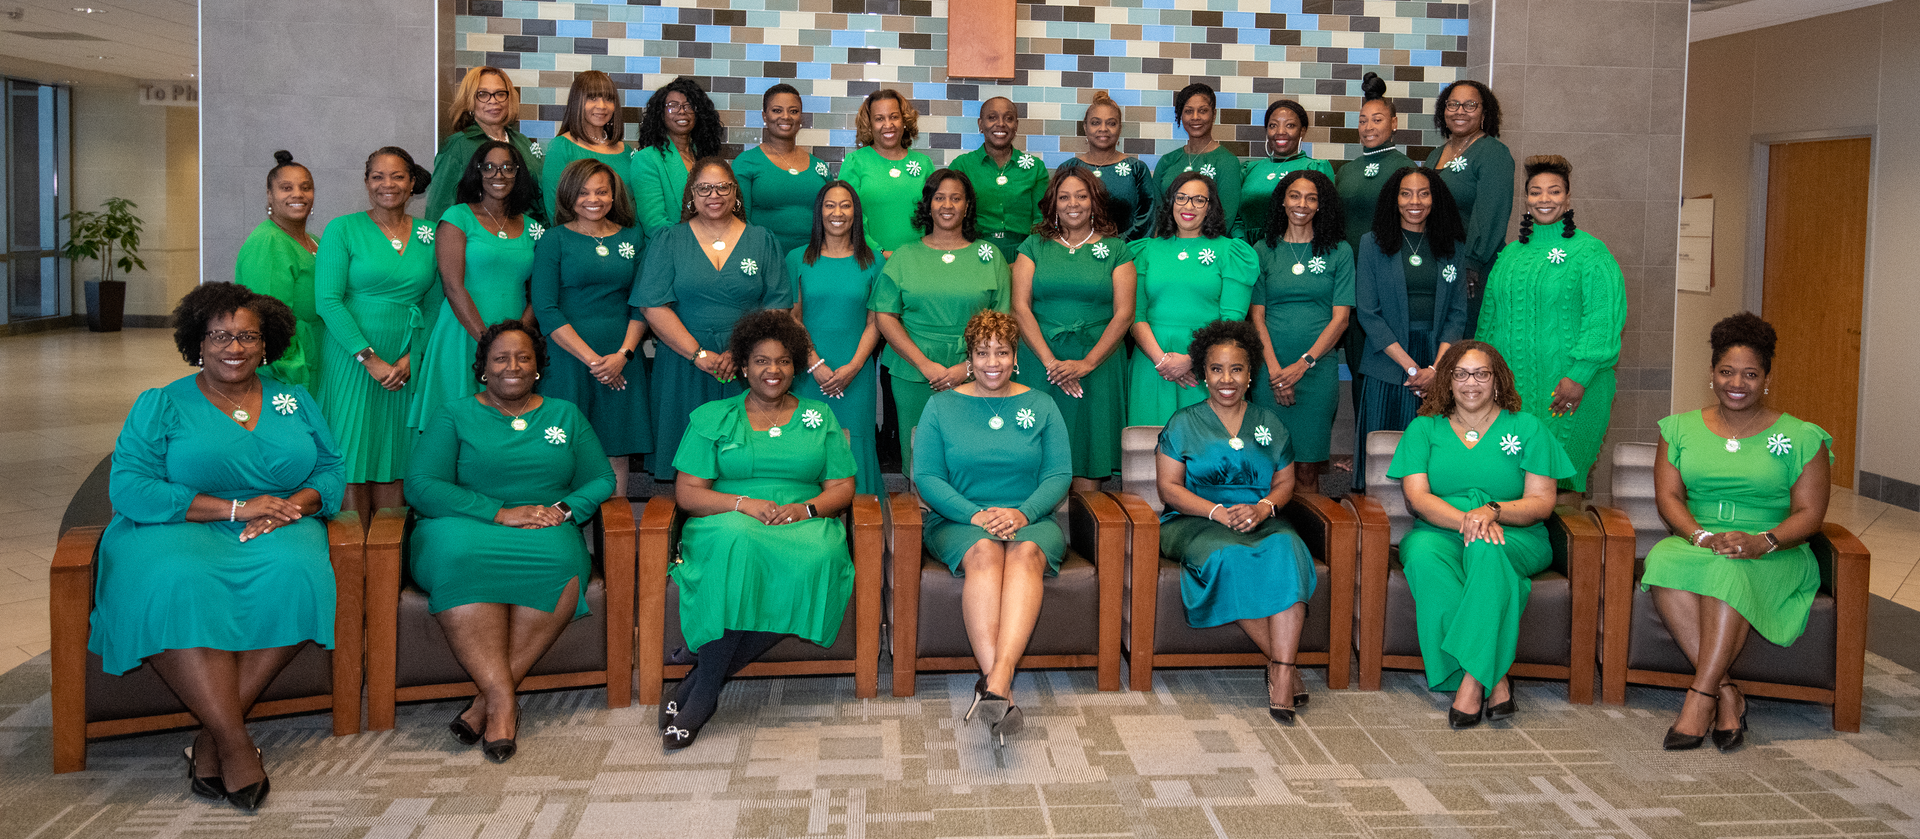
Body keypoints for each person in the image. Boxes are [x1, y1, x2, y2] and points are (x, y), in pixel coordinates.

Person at [92, 283, 343, 811]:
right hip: (173, 526)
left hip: (277, 522)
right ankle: (235, 744)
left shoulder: (292, 399)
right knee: (175, 580)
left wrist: (293, 505)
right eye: (220, 336)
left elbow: (330, 469)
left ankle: (211, 737)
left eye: (247, 336)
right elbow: (130, 489)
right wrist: (236, 508)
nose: (235, 347)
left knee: (299, 571)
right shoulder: (161, 403)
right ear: (197, 342)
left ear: (266, 342)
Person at [405, 321, 616, 764]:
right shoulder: (454, 414)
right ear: (483, 368)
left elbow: (601, 478)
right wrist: (498, 512)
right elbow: (421, 485)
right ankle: (503, 705)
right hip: (460, 527)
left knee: (561, 561)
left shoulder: (565, 415)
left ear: (539, 366)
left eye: (524, 357)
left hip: (543, 527)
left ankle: (489, 702)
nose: (513, 366)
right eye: (500, 358)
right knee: (461, 557)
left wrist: (564, 509)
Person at [660, 311, 857, 751]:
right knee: (738, 541)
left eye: (784, 361)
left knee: (819, 557)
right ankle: (706, 695)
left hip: (801, 520)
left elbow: (843, 487)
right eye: (762, 361)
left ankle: (703, 672)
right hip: (726, 518)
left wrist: (806, 509)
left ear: (796, 366)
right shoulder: (713, 416)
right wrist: (742, 504)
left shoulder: (818, 414)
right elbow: (688, 493)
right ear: (743, 366)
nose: (773, 370)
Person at [1643, 313, 1831, 752]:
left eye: (1750, 373)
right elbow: (1669, 498)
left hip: (1775, 548)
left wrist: (1762, 540)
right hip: (1700, 540)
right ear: (1711, 374)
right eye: (1727, 371)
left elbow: (1810, 512)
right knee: (1662, 562)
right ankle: (1727, 693)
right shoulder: (1679, 429)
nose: (1737, 382)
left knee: (1730, 574)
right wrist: (1701, 537)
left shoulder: (1803, 437)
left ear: (1767, 377)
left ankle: (1700, 697)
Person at [1385, 340, 1574, 729]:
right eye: (1461, 374)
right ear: (1448, 381)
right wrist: (1465, 521)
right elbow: (1418, 498)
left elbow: (1541, 502)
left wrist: (1492, 512)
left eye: (1481, 374)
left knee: (1489, 549)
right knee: (1421, 557)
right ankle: (1495, 675)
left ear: (1497, 380)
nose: (1471, 383)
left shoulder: (1528, 427)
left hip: (1514, 529)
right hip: (1440, 529)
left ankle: (1472, 681)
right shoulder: (1424, 429)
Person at [912, 310, 1071, 746]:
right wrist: (975, 515)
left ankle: (996, 684)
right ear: (969, 357)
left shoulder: (1041, 404)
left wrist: (1023, 514)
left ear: (1016, 355)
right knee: (984, 551)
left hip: (1032, 517)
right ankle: (1000, 685)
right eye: (982, 353)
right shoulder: (941, 404)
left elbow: (1059, 475)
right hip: (958, 519)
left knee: (1023, 554)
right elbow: (926, 476)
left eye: (1002, 351)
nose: (992, 362)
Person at [1154, 319, 1318, 723]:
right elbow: (1168, 488)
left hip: (1261, 516)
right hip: (1195, 519)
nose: (1226, 379)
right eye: (1216, 369)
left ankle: (1279, 671)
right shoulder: (1182, 423)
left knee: (1288, 548)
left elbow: (1285, 481)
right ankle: (1285, 670)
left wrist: (1263, 509)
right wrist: (1216, 512)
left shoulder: (1271, 422)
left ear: (1250, 374)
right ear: (1203, 374)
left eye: (1237, 369)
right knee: (1229, 557)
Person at [1476, 155, 1625, 502]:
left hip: (1571, 390)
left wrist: (1580, 376)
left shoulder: (1590, 253)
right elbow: (1488, 321)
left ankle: (1567, 555)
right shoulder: (1509, 255)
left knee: (1562, 482)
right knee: (1514, 483)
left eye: (1554, 191)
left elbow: (1603, 321)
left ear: (1568, 198)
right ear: (1526, 200)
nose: (1545, 199)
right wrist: (1483, 375)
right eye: (1536, 192)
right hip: (1514, 393)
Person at [635, 158, 794, 479]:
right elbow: (652, 305)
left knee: (746, 462)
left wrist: (744, 353)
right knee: (688, 466)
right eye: (704, 188)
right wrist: (698, 354)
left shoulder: (763, 239)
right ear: (691, 195)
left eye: (723, 187)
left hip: (748, 367)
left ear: (736, 193)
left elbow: (778, 306)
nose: (714, 194)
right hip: (683, 365)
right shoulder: (669, 240)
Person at [314, 146, 440, 525]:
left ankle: (389, 561)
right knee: (351, 449)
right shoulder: (342, 229)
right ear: (367, 183)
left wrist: (410, 358)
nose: (388, 184)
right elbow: (328, 301)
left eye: (398, 176)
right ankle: (352, 558)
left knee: (395, 452)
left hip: (404, 361)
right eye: (378, 177)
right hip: (351, 359)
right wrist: (368, 359)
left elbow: (436, 302)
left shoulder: (430, 234)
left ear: (412, 182)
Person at [869, 169, 1011, 471]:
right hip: (913, 372)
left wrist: (969, 367)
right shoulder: (904, 256)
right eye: (939, 198)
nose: (947, 206)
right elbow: (885, 316)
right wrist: (924, 364)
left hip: (979, 374)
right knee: (920, 459)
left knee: (971, 457)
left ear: (968, 206)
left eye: (956, 198)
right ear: (928, 205)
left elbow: (1004, 322)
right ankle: (919, 515)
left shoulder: (990, 256)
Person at [1011, 167, 1136, 490]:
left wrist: (1086, 364)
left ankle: (1085, 533)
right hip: (1040, 363)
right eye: (1064, 197)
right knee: (1034, 452)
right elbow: (1020, 307)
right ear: (1053, 203)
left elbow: (1124, 314)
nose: (1073, 204)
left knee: (1086, 455)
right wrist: (1050, 362)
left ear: (1094, 202)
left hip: (1097, 364)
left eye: (1081, 196)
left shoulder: (1117, 249)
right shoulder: (1033, 246)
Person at [534, 159, 652, 497]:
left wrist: (623, 355)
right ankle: (566, 537)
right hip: (568, 358)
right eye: (584, 192)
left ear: (614, 196)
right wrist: (594, 361)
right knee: (564, 446)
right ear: (569, 196)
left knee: (617, 448)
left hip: (623, 358)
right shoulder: (553, 240)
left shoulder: (634, 237)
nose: (594, 199)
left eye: (602, 191)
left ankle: (613, 538)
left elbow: (642, 302)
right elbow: (545, 307)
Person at [409, 140, 542, 432]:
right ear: (477, 172)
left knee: (507, 427)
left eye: (508, 167)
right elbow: (453, 286)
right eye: (490, 167)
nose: (499, 174)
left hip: (516, 331)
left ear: (518, 173)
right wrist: (488, 342)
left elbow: (539, 292)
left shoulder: (533, 226)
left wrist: (518, 338)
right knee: (456, 427)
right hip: (463, 330)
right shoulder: (457, 217)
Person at [1351, 166, 1468, 492]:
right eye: (1406, 193)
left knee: (1433, 461)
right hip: (1389, 363)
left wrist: (1437, 370)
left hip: (1439, 361)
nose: (1414, 201)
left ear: (1436, 199)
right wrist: (1414, 369)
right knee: (1383, 461)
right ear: (1394, 199)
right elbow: (1368, 314)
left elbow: (1457, 315)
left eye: (1423, 193)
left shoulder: (1452, 248)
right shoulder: (1372, 245)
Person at [1126, 173, 1257, 427]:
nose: (1188, 206)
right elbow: (1135, 315)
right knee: (1148, 448)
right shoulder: (1144, 251)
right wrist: (1162, 361)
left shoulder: (1231, 252)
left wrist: (1191, 358)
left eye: (1199, 200)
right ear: (1170, 203)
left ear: (1211, 207)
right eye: (1182, 198)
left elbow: (1231, 320)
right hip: (1152, 362)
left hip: (1206, 363)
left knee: (1204, 444)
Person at [1251, 170, 1352, 490]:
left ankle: (1307, 539)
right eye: (1295, 195)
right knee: (1268, 463)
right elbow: (1256, 318)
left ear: (1322, 206)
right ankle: (1268, 537)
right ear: (1282, 201)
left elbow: (1341, 320)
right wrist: (1276, 372)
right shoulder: (1262, 250)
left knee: (1308, 467)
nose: (1302, 204)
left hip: (1317, 371)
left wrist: (1302, 365)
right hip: (1270, 369)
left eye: (1312, 198)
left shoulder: (1340, 251)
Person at [790, 181, 886, 495]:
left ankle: (863, 528)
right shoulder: (797, 259)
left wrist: (855, 366)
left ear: (856, 213)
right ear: (819, 212)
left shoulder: (873, 261)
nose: (837, 212)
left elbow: (876, 321)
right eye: (830, 205)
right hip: (808, 372)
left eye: (845, 205)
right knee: (808, 441)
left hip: (855, 374)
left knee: (855, 443)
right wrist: (814, 363)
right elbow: (793, 318)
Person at [1425, 80, 1515, 337]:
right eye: (1453, 104)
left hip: (1473, 269)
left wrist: (1472, 261)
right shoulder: (1436, 155)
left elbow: (1492, 212)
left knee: (1467, 340)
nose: (1460, 111)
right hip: (1439, 260)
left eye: (1470, 105)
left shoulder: (1493, 153)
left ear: (1485, 113)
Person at [235, 150, 323, 389]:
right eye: (286, 188)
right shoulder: (269, 241)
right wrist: (290, 373)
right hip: (289, 366)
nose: (298, 194)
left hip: (318, 353)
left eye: (306, 187)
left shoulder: (314, 240)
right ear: (270, 196)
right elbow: (270, 319)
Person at [425, 67, 544, 224]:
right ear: (470, 101)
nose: (493, 101)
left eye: (500, 94)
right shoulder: (457, 146)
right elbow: (439, 208)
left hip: (525, 240)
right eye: (482, 94)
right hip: (477, 242)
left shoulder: (523, 142)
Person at [734, 83, 832, 256]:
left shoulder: (819, 166)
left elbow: (834, 214)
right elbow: (739, 221)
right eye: (777, 110)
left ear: (801, 117)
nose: (786, 117)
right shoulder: (746, 162)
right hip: (764, 258)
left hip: (814, 260)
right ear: (765, 116)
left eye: (793, 111)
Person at [840, 89, 935, 256]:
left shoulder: (924, 163)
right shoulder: (855, 162)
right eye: (879, 119)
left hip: (918, 260)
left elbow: (935, 216)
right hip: (870, 259)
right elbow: (848, 216)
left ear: (904, 120)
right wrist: (880, 252)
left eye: (894, 116)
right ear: (869, 124)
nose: (888, 124)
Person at [950, 96, 1049, 250]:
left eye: (1008, 118)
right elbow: (952, 216)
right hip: (973, 249)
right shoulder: (962, 165)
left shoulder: (1035, 168)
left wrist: (1027, 257)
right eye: (992, 118)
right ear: (980, 124)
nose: (1001, 124)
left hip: (1023, 251)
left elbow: (1041, 220)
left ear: (1016, 125)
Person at [632, 76, 725, 236]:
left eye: (689, 106)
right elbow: (654, 225)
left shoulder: (706, 156)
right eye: (672, 106)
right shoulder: (646, 159)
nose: (682, 111)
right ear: (660, 114)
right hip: (670, 250)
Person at [538, 71, 632, 228]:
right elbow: (554, 208)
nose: (601, 106)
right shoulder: (562, 146)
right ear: (577, 102)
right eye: (592, 98)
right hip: (579, 244)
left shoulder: (626, 151)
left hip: (626, 243)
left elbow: (632, 206)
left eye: (608, 99)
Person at [1058, 91, 1154, 240]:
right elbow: (1057, 217)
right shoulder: (1068, 168)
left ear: (1120, 128)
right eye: (1096, 122)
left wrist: (1112, 249)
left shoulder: (1137, 169)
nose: (1103, 128)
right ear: (1085, 127)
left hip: (1127, 255)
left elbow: (1145, 222)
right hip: (1077, 253)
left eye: (1111, 123)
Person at [1335, 72, 1417, 250]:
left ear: (1394, 123)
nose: (1368, 127)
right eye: (1362, 121)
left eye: (1377, 120)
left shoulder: (1406, 168)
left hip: (1388, 261)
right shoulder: (1346, 170)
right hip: (1348, 265)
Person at [1152, 83, 1243, 234]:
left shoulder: (1227, 162)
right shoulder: (1167, 161)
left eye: (1202, 111)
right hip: (1168, 246)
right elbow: (1157, 213)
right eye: (1188, 111)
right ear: (1180, 114)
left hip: (1208, 250)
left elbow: (1225, 219)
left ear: (1214, 114)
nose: (1195, 117)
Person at [1238, 100, 1335, 240]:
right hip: (1248, 252)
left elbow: (1327, 219)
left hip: (1295, 252)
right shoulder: (1249, 169)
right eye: (1273, 126)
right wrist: (1243, 247)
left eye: (1290, 125)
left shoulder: (1316, 168)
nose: (1280, 132)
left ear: (1303, 131)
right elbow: (1235, 217)